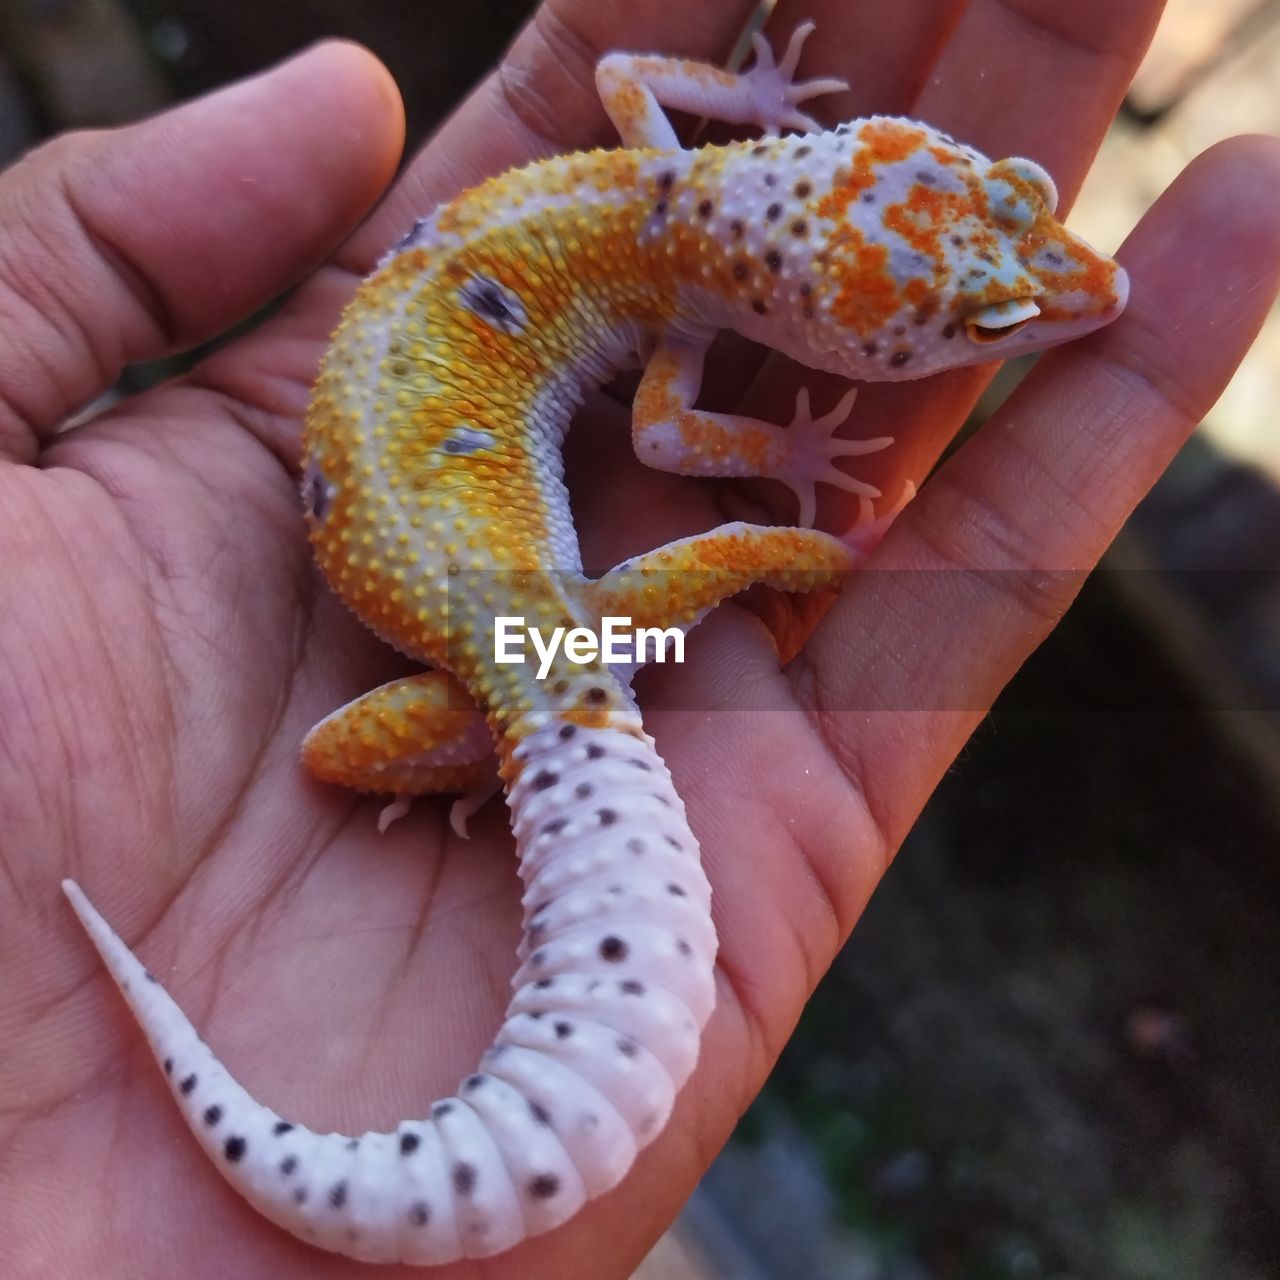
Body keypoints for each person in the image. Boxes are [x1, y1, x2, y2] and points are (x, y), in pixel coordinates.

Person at [2, 2, 1277, 1275]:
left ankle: (535, 708)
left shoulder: (658, 181)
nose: (1080, 283)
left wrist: (759, 117)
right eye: (988, 325)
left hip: (425, 519)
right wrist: (782, 461)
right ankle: (561, 692)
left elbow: (623, 78)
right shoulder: (682, 299)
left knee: (576, 653)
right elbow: (667, 438)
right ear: (815, 314)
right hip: (467, 577)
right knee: (452, 703)